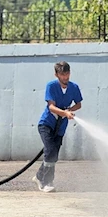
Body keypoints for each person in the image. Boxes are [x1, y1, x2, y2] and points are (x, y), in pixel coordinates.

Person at [33, 61, 83, 193]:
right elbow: (51, 107)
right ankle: (46, 182)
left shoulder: (74, 87)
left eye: (67, 74)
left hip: (60, 127)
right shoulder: (51, 86)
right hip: (47, 124)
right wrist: (64, 112)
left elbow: (79, 104)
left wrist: (70, 109)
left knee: (53, 154)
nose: (65, 77)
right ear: (56, 74)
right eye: (62, 74)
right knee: (50, 151)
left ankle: (39, 176)